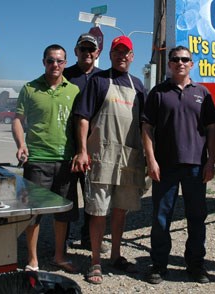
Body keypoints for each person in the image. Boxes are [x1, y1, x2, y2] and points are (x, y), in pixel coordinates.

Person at [71, 35, 147, 284]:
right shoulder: (99, 81)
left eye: (126, 52)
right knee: (98, 211)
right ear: (111, 55)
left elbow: (146, 126)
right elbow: (83, 117)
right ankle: (95, 261)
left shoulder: (139, 86)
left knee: (120, 210)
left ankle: (116, 254)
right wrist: (83, 151)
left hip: (129, 159)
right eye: (117, 52)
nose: (122, 56)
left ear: (132, 56)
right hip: (101, 157)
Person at [141, 45, 215, 284]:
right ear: (169, 64)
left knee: (197, 217)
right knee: (161, 218)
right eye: (175, 59)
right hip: (165, 166)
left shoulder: (202, 93)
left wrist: (211, 161)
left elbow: (212, 129)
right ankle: (159, 265)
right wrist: (151, 160)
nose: (180, 63)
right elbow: (146, 128)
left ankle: (195, 266)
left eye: (185, 59)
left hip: (196, 166)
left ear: (192, 64)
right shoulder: (158, 93)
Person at [12, 44, 79, 274]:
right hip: (37, 160)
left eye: (60, 61)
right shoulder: (30, 89)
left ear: (66, 63)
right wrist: (21, 144)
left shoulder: (74, 90)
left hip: (65, 160)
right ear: (44, 62)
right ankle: (33, 260)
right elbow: (18, 119)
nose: (55, 65)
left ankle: (59, 256)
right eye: (51, 60)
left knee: (63, 214)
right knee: (33, 214)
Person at [63, 33, 109, 254]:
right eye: (83, 49)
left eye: (91, 49)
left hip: (96, 149)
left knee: (92, 196)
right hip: (67, 146)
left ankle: (88, 239)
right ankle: (62, 237)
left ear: (97, 52)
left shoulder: (104, 78)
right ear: (76, 51)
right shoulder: (65, 75)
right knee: (66, 195)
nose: (87, 53)